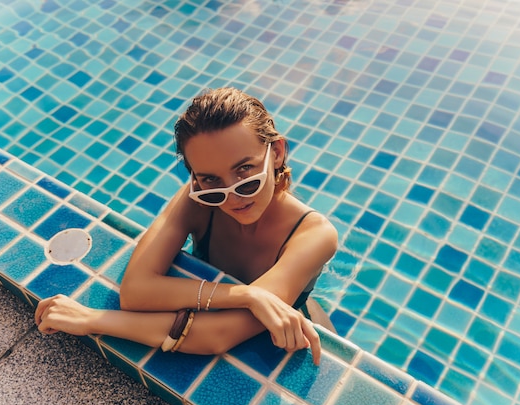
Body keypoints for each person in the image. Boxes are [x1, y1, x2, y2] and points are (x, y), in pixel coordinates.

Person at [35, 87, 338, 365]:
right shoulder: (200, 198)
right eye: (210, 179)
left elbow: (217, 335)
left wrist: (93, 320)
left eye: (245, 170)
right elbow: (136, 291)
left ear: (277, 153)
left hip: (297, 320)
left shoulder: (314, 235)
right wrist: (248, 295)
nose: (231, 194)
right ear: (195, 176)